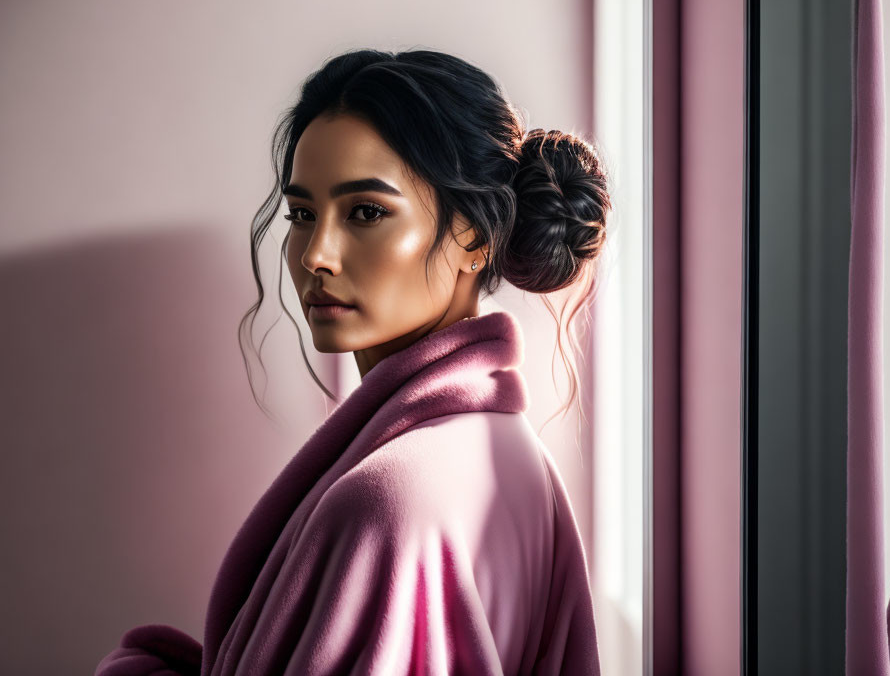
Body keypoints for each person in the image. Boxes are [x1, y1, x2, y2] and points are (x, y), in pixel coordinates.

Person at [95, 47, 612, 676]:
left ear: (474, 235)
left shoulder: (386, 502)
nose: (315, 254)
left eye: (365, 212)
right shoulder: (511, 453)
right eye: (302, 214)